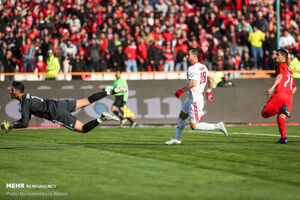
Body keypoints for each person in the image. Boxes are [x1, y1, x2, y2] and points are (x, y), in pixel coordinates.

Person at [0, 81, 127, 134]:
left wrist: (11, 125)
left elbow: (25, 123)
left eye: (12, 90)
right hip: (58, 104)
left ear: (17, 91)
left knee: (83, 129)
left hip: (55, 113)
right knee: (88, 100)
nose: (10, 92)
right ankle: (111, 92)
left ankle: (101, 118)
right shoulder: (27, 97)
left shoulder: (24, 102)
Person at [165, 48, 228, 145]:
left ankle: (217, 126)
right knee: (182, 116)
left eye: (188, 55)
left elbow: (193, 83)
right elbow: (211, 79)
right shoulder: (203, 67)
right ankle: (177, 138)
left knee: (194, 126)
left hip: (194, 99)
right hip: (192, 98)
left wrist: (181, 91)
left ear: (194, 56)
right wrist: (209, 93)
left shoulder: (192, 68)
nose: (187, 56)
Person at [261, 49, 297, 144]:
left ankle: (282, 107)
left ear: (284, 57)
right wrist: (288, 96)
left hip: (281, 94)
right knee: (280, 118)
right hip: (289, 97)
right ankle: (284, 138)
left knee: (264, 113)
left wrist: (272, 87)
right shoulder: (289, 70)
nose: (275, 56)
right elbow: (294, 88)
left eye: (278, 55)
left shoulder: (281, 65)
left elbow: (280, 76)